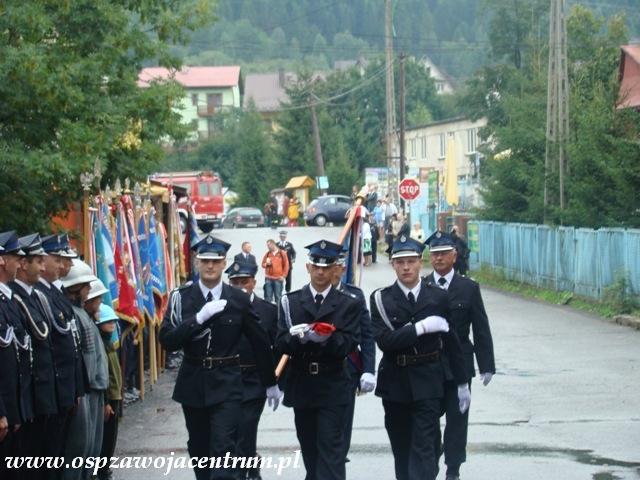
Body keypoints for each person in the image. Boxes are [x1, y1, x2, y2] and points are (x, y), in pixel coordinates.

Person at [159, 234, 281, 480]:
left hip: (227, 384)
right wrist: (197, 319)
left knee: (224, 455)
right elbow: (168, 341)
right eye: (205, 260)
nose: (210, 266)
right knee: (200, 450)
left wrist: (270, 382)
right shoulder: (180, 298)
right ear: (196, 262)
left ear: (224, 263)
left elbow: (260, 342)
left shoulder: (238, 298)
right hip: (193, 383)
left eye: (215, 261)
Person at [370, 235, 470, 480]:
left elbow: (452, 341)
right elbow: (386, 342)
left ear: (420, 263)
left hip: (428, 381)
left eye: (411, 261)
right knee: (402, 448)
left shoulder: (437, 297)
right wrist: (420, 328)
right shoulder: (381, 299)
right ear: (392, 264)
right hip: (395, 381)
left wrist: (462, 381)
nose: (406, 267)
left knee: (425, 447)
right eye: (400, 262)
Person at [275, 240, 361, 480]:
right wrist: (300, 339)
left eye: (327, 267)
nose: (321, 271)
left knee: (331, 450)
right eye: (316, 266)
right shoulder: (290, 301)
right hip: (302, 382)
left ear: (335, 269)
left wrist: (325, 339)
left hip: (333, 382)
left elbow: (350, 343)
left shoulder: (348, 303)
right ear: (308, 267)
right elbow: (280, 341)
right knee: (310, 452)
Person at [424, 231, 495, 480]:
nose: (439, 258)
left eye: (444, 253)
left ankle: (453, 468)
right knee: (428, 420)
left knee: (457, 421)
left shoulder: (468, 287)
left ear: (454, 255)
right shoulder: (423, 286)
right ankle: (431, 458)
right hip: (429, 364)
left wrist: (487, 365)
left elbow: (481, 327)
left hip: (460, 367)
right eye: (435, 254)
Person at [35, 234, 86, 480]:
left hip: (65, 389)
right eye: (56, 259)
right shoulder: (39, 295)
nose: (61, 265)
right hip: (52, 390)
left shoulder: (55, 293)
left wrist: (75, 388)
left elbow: (71, 345)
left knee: (59, 453)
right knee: (47, 456)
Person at [9, 234, 58, 470]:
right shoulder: (15, 298)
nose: (42, 266)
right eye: (36, 261)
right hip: (27, 396)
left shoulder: (33, 296)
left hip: (40, 395)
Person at [225, 260, 278, 480]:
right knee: (231, 430)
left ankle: (248, 469)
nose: (240, 287)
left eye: (244, 282)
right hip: (227, 378)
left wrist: (275, 382)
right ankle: (243, 469)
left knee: (247, 426)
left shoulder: (268, 310)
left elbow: (277, 347)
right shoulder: (221, 308)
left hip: (254, 379)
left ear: (254, 282)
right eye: (235, 282)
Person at [61, 260, 109, 480]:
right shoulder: (74, 315)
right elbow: (86, 358)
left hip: (93, 391)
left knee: (90, 451)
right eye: (86, 286)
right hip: (86, 391)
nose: (90, 290)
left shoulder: (81, 315)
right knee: (80, 450)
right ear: (74, 288)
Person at [330, 254, 376, 462]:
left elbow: (367, 335)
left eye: (335, 266)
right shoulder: (304, 296)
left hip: (347, 368)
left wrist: (368, 370)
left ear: (342, 269)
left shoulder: (355, 296)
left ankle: (339, 456)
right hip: (317, 371)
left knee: (343, 419)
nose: (330, 271)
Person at [0, 231, 33, 479]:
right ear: (2, 261)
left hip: (14, 409)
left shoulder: (9, 300)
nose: (20, 263)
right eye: (15, 257)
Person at [95, 304, 123, 480]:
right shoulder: (102, 345)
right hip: (108, 398)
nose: (112, 324)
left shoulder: (109, 344)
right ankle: (103, 471)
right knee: (105, 439)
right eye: (108, 322)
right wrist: (105, 401)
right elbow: (103, 373)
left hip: (115, 395)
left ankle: (106, 469)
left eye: (113, 321)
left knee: (111, 438)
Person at [261, 239, 289, 304]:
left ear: (273, 244)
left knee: (278, 297)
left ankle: (278, 313)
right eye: (267, 245)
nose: (267, 247)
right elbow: (262, 264)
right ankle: (268, 312)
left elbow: (286, 265)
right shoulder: (267, 254)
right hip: (268, 279)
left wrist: (284, 276)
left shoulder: (282, 253)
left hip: (278, 279)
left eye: (269, 245)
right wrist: (266, 264)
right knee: (268, 297)